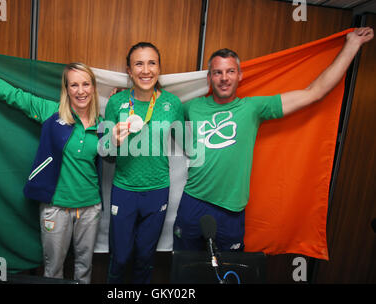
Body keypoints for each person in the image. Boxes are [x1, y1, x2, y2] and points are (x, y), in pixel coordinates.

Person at [173, 27, 374, 252]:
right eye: (217, 72)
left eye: (230, 71)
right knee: (184, 268)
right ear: (209, 77)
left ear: (240, 75)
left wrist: (352, 45)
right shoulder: (192, 106)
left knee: (230, 272)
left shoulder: (252, 108)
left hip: (230, 210)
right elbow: (162, 117)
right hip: (193, 202)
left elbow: (314, 92)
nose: (224, 78)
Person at [0, 35, 103, 284]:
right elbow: (9, 93)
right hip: (55, 208)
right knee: (53, 271)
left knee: (84, 269)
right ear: (66, 89)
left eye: (86, 84)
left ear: (93, 87)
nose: (80, 91)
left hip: (90, 207)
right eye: (74, 85)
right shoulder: (50, 112)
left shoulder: (103, 123)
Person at [103, 42, 184, 284]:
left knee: (145, 258)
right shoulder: (115, 104)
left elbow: (189, 144)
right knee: (120, 258)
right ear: (129, 70)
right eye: (139, 63)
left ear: (159, 68)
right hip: (124, 190)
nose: (146, 70)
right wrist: (113, 143)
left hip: (157, 191)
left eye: (152, 63)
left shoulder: (173, 103)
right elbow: (104, 154)